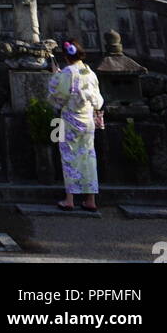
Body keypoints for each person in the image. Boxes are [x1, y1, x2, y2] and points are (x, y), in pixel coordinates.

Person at [48, 38, 104, 212]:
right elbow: (98, 99)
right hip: (87, 119)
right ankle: (90, 199)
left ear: (66, 56)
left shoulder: (67, 73)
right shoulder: (90, 72)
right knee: (88, 156)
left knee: (69, 156)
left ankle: (70, 199)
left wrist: (55, 75)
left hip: (69, 119)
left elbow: (58, 96)